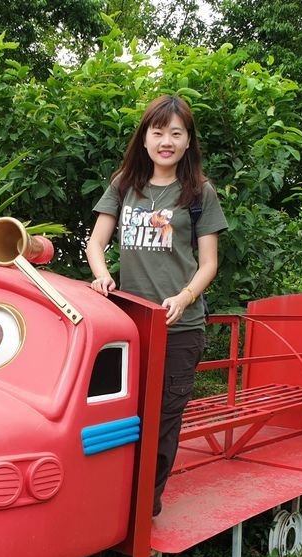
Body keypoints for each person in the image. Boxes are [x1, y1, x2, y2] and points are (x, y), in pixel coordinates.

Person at [85, 94, 228, 516]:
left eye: (176, 133)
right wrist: (101, 274)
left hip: (179, 330)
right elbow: (96, 243)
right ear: (145, 137)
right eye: (158, 131)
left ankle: (142, 508)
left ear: (188, 142)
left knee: (163, 421)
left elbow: (209, 263)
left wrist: (184, 298)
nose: (166, 140)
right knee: (118, 415)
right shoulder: (124, 185)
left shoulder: (199, 192)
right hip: (128, 327)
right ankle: (109, 497)